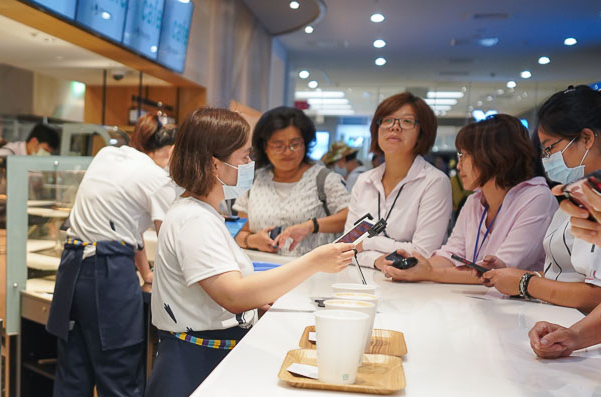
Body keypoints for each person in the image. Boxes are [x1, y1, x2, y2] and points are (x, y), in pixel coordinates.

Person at [143, 107, 356, 397]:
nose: (248, 165)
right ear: (215, 163)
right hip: (192, 361)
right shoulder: (194, 219)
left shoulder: (204, 213)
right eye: (243, 157)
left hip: (206, 353)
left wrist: (259, 300)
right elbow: (233, 295)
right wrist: (313, 261)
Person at [40, 117, 177, 397]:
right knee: (120, 390)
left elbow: (124, 230)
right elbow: (172, 236)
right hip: (108, 276)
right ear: (167, 152)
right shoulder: (156, 176)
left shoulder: (108, 154)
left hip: (73, 271)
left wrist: (146, 273)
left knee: (71, 383)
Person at [381, 114, 556, 284]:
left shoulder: (536, 198)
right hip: (477, 302)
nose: (458, 165)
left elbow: (501, 271)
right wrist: (417, 267)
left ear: (491, 156)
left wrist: (430, 273)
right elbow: (451, 253)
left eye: (464, 156)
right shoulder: (475, 201)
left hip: (523, 307)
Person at [512, 86, 601, 358]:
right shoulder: (577, 193)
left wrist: (526, 283)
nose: (546, 159)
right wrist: (574, 336)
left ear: (586, 138)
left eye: (550, 148)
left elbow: (593, 293)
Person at [341, 92, 452, 270]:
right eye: (387, 120)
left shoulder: (434, 182)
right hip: (365, 282)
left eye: (407, 121)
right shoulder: (364, 181)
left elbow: (423, 253)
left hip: (415, 290)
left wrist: (368, 243)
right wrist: (376, 261)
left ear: (422, 133)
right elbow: (346, 247)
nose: (395, 127)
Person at [232, 107, 350, 256]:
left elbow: (350, 217)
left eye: (295, 144)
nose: (288, 151)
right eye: (278, 145)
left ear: (305, 143)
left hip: (314, 273)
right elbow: (240, 231)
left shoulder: (325, 179)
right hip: (263, 271)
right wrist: (252, 240)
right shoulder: (253, 180)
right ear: (264, 147)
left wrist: (311, 226)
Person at [0, 123, 61, 201]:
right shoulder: (7, 154)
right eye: (45, 150)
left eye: (49, 153)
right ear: (34, 141)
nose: (47, 154)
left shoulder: (30, 158)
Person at [128, 112, 177, 233]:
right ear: (173, 150)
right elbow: (168, 233)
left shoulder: (128, 161)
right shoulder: (157, 177)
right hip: (114, 247)